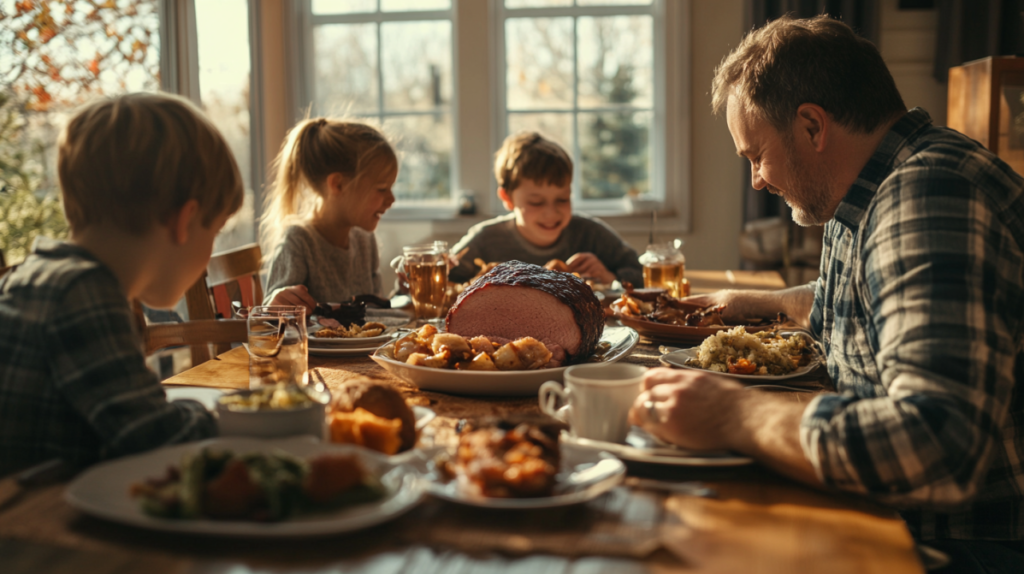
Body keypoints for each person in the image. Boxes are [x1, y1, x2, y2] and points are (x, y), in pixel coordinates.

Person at [629, 15, 1024, 570]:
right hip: (900, 514)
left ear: (813, 126)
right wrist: (761, 304)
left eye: (755, 155)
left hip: (969, 543)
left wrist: (733, 416)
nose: (757, 181)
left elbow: (939, 446)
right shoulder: (869, 189)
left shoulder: (928, 196)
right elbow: (857, 301)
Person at [0, 93, 244, 476]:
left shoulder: (33, 276)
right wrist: (243, 414)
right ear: (185, 220)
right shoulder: (84, 293)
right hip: (39, 525)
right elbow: (155, 437)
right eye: (214, 231)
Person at [448, 131, 643, 286]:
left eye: (562, 199)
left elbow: (643, 274)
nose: (551, 212)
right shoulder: (485, 239)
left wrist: (611, 278)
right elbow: (447, 278)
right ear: (507, 198)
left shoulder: (591, 235)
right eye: (536, 202)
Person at [261, 118, 397, 312]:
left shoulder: (365, 241)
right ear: (338, 184)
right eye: (382, 189)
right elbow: (271, 325)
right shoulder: (299, 242)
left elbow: (377, 315)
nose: (391, 200)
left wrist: (405, 291)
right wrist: (275, 306)